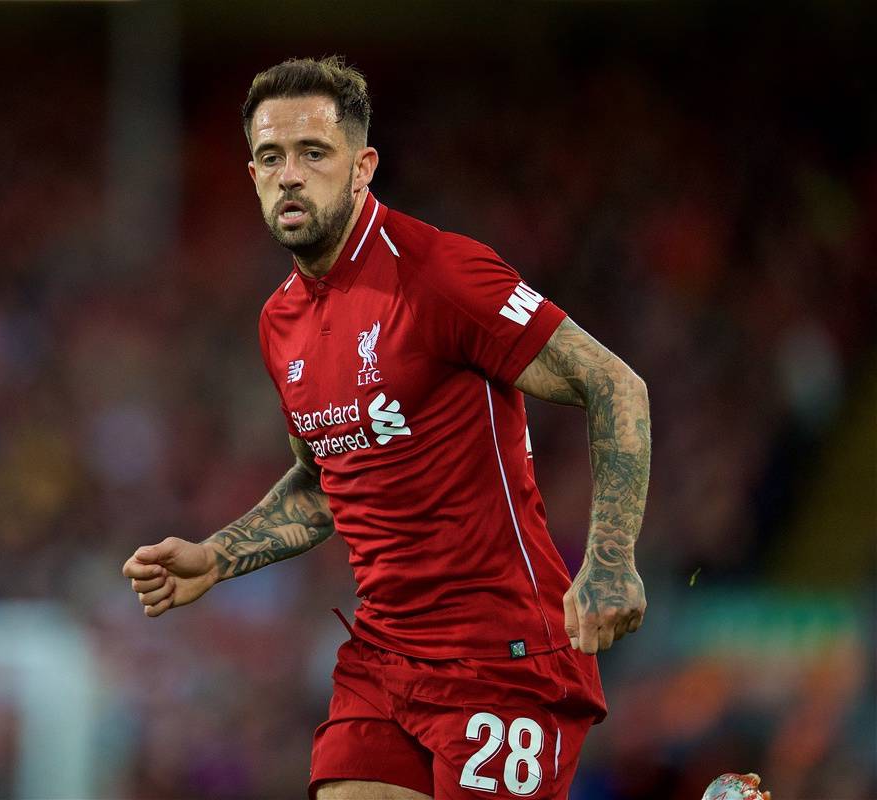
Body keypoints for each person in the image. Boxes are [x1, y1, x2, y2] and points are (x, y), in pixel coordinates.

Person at [122, 56, 650, 800]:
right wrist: (217, 557)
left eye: (314, 153)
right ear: (252, 177)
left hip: (502, 655)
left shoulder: (441, 276)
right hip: (385, 655)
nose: (291, 175)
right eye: (271, 157)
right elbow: (325, 484)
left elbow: (614, 384)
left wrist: (611, 560)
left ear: (362, 166)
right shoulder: (280, 321)